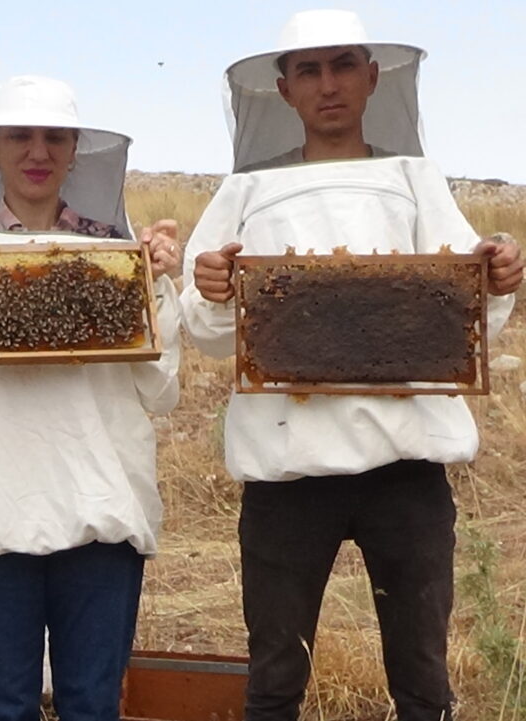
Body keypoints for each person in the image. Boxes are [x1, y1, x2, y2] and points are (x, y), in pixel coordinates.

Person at [179, 10, 523, 721]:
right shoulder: (244, 191)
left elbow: (468, 310)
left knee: (422, 676)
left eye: (342, 65)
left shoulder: (417, 179)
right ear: (283, 89)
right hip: (287, 469)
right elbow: (209, 325)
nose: (328, 84)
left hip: (406, 471)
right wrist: (212, 288)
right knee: (274, 676)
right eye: (309, 69)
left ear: (372, 77)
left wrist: (496, 274)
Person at [0, 75, 182, 721]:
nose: (37, 151)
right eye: (20, 135)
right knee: (3, 707)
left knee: (93, 705)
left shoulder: (116, 253)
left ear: (76, 149)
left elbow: (161, 391)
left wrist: (158, 288)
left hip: (102, 510)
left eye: (55, 136)